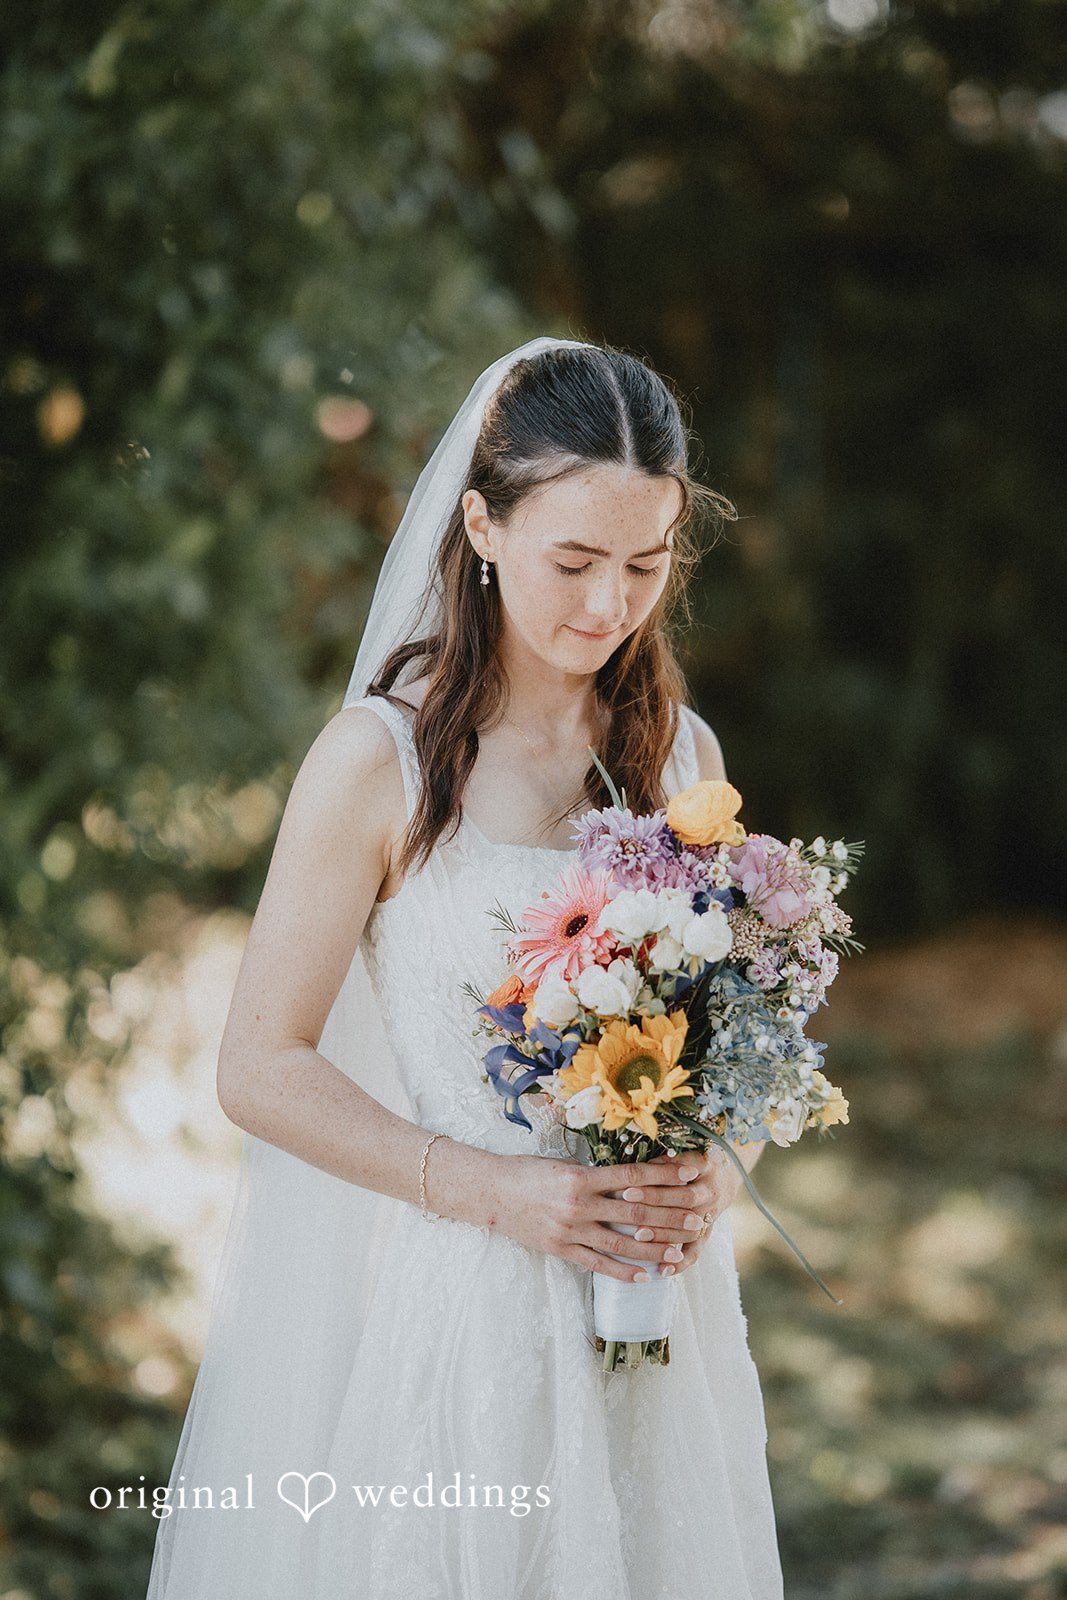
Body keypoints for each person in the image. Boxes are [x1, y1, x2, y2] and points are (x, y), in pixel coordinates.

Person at [145, 335, 785, 1599]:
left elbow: (742, 1048)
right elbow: (258, 1066)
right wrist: (500, 1193)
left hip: (661, 1317)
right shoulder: (374, 762)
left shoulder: (679, 756)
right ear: (481, 526)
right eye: (573, 562)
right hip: (470, 1312)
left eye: (644, 565)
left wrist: (714, 1171)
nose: (608, 606)